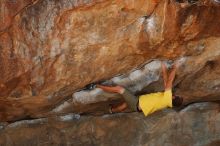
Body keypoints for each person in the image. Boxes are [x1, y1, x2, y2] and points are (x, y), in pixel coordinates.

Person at [96, 61, 183, 116]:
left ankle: (97, 86)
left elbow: (170, 81)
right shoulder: (167, 101)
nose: (174, 94)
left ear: (173, 98)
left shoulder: (168, 99)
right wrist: (163, 66)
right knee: (125, 104)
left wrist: (175, 67)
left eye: (176, 95)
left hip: (136, 103)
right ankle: (112, 110)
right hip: (138, 105)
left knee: (120, 89)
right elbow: (166, 82)